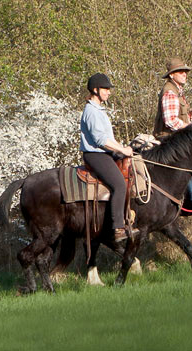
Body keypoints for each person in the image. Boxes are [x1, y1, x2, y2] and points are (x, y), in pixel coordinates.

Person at [152, 58, 192, 218]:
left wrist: (189, 119)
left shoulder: (177, 91)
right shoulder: (170, 92)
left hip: (176, 138)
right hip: (168, 140)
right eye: (181, 72)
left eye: (185, 72)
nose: (184, 74)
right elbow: (170, 121)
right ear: (172, 75)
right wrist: (191, 129)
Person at [80, 73, 135, 243]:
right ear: (95, 90)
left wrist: (122, 149)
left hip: (104, 153)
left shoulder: (99, 110)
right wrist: (123, 150)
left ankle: (129, 218)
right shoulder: (91, 111)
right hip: (96, 155)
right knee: (119, 184)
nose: (109, 92)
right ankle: (117, 228)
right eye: (105, 89)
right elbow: (100, 140)